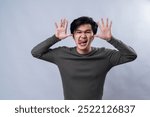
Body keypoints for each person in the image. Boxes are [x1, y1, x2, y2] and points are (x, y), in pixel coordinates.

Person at [31, 16, 137, 100]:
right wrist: (55, 38)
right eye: (79, 32)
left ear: (93, 35)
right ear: (73, 36)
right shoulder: (62, 54)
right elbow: (36, 52)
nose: (83, 36)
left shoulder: (105, 55)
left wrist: (111, 39)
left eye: (87, 32)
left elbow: (131, 55)